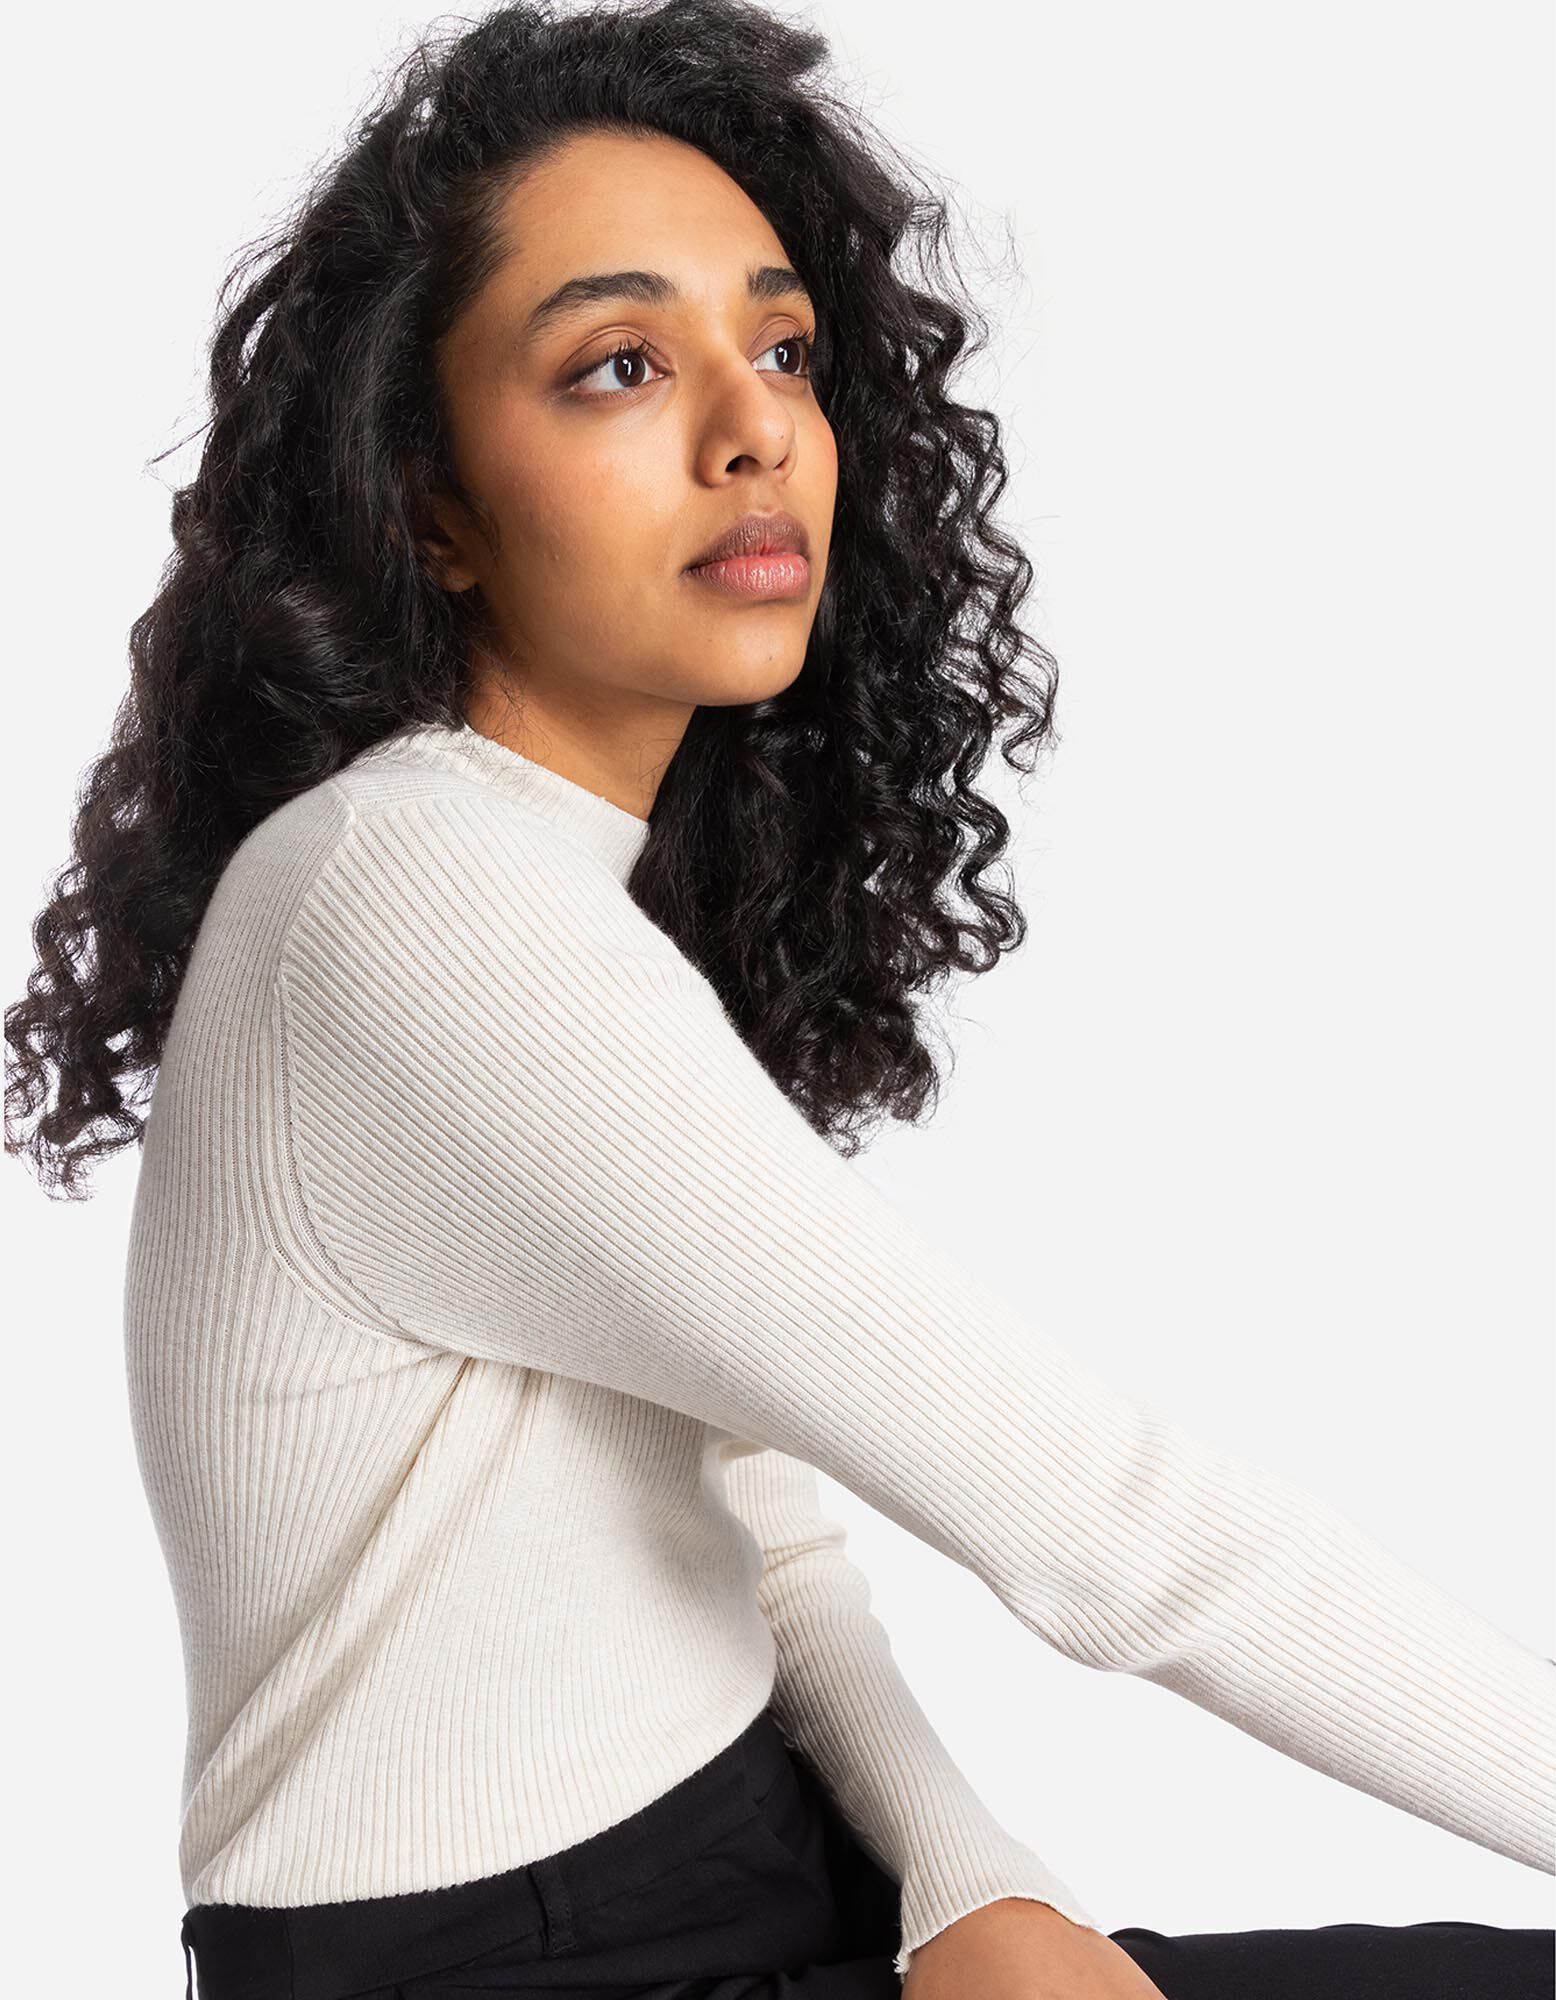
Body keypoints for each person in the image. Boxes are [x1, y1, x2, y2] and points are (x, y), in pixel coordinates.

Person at [6, 2, 1552, 1995]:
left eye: (787, 350)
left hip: (740, 1866)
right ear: (430, 505)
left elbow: (753, 1514)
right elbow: (1110, 1530)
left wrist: (966, 1875)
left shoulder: (530, 873)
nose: (753, 431)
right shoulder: (422, 907)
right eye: (620, 363)